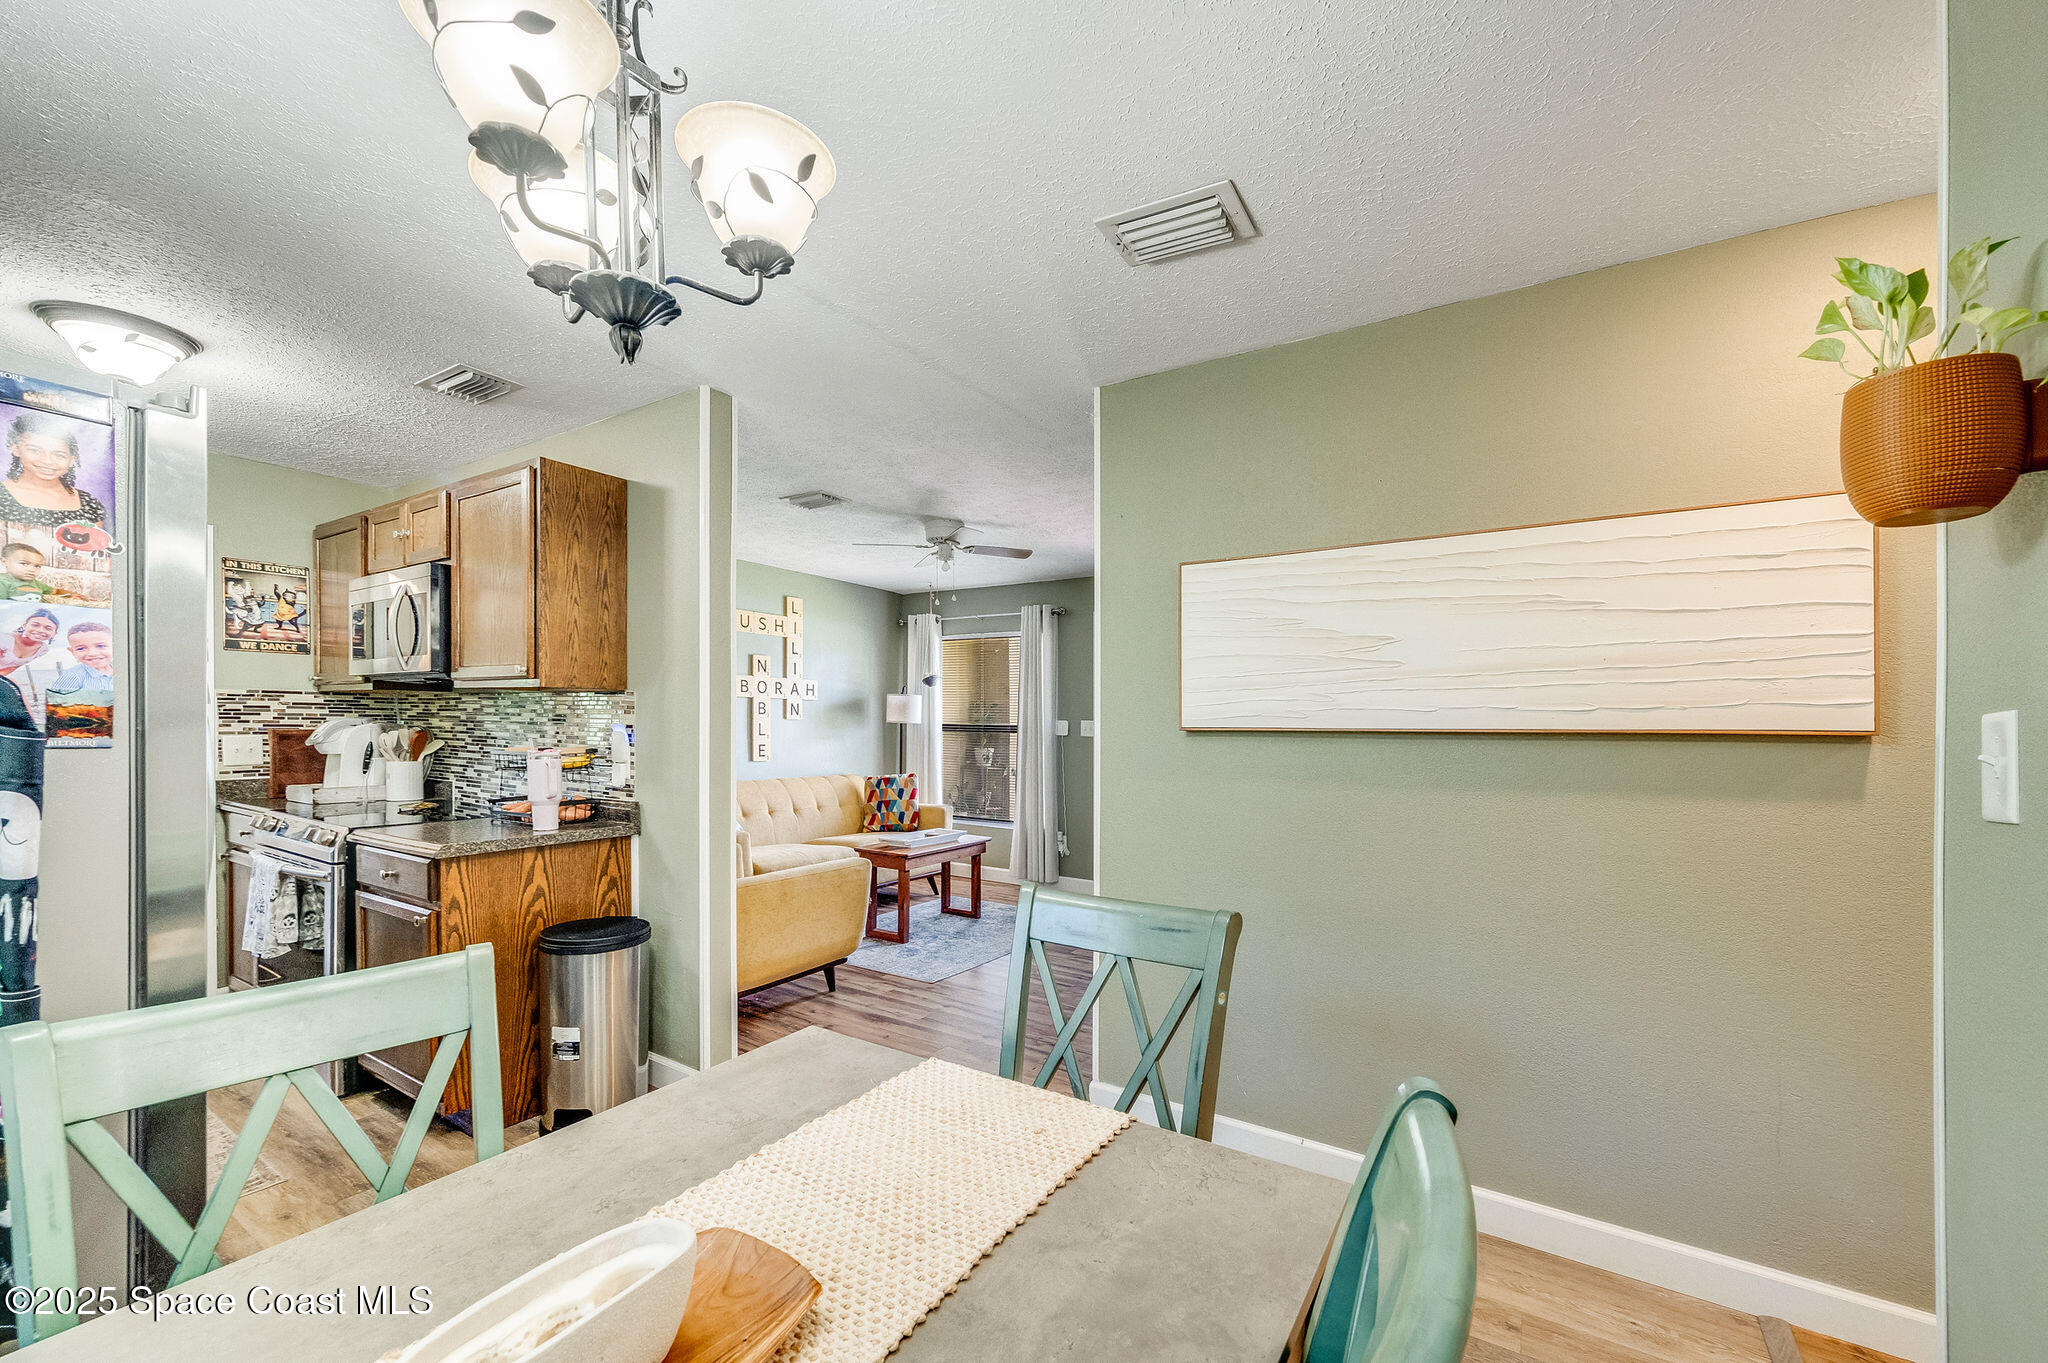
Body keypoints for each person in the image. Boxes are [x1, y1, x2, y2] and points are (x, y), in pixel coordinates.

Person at [0, 411, 109, 529]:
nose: (47, 461)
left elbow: (98, 545)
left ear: (72, 460)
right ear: (16, 449)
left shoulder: (89, 504)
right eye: (35, 450)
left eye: (59, 455)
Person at [0, 609, 65, 729]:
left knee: (16, 691)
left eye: (48, 628)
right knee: (14, 684)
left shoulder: (42, 649)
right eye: (35, 625)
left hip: (2, 677)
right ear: (25, 626)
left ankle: (32, 728)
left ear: (55, 633)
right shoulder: (5, 640)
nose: (40, 630)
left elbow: (13, 666)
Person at [48, 620, 111, 695]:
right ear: (72, 652)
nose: (92, 653)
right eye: (81, 648)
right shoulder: (71, 677)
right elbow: (57, 704)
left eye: (100, 646)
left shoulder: (124, 670)